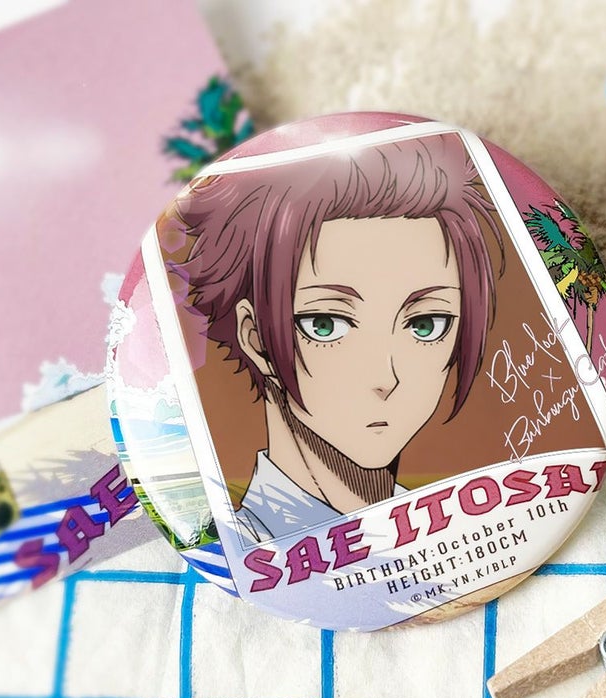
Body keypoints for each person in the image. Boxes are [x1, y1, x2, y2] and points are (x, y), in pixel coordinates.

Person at [175, 126, 503, 541]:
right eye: (326, 325)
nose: (385, 377)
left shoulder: (464, 532)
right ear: (255, 337)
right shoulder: (248, 550)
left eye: (426, 324)